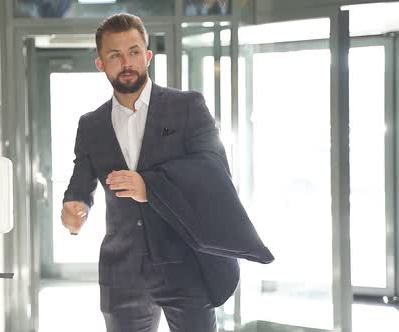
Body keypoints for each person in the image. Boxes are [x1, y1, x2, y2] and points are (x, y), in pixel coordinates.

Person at [61, 13, 263, 332]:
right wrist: (74, 207)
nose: (127, 62)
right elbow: (81, 182)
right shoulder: (91, 125)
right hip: (122, 273)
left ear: (148, 55)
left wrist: (150, 187)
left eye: (134, 51)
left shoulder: (187, 107)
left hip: (185, 263)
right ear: (101, 63)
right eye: (115, 55)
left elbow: (214, 168)